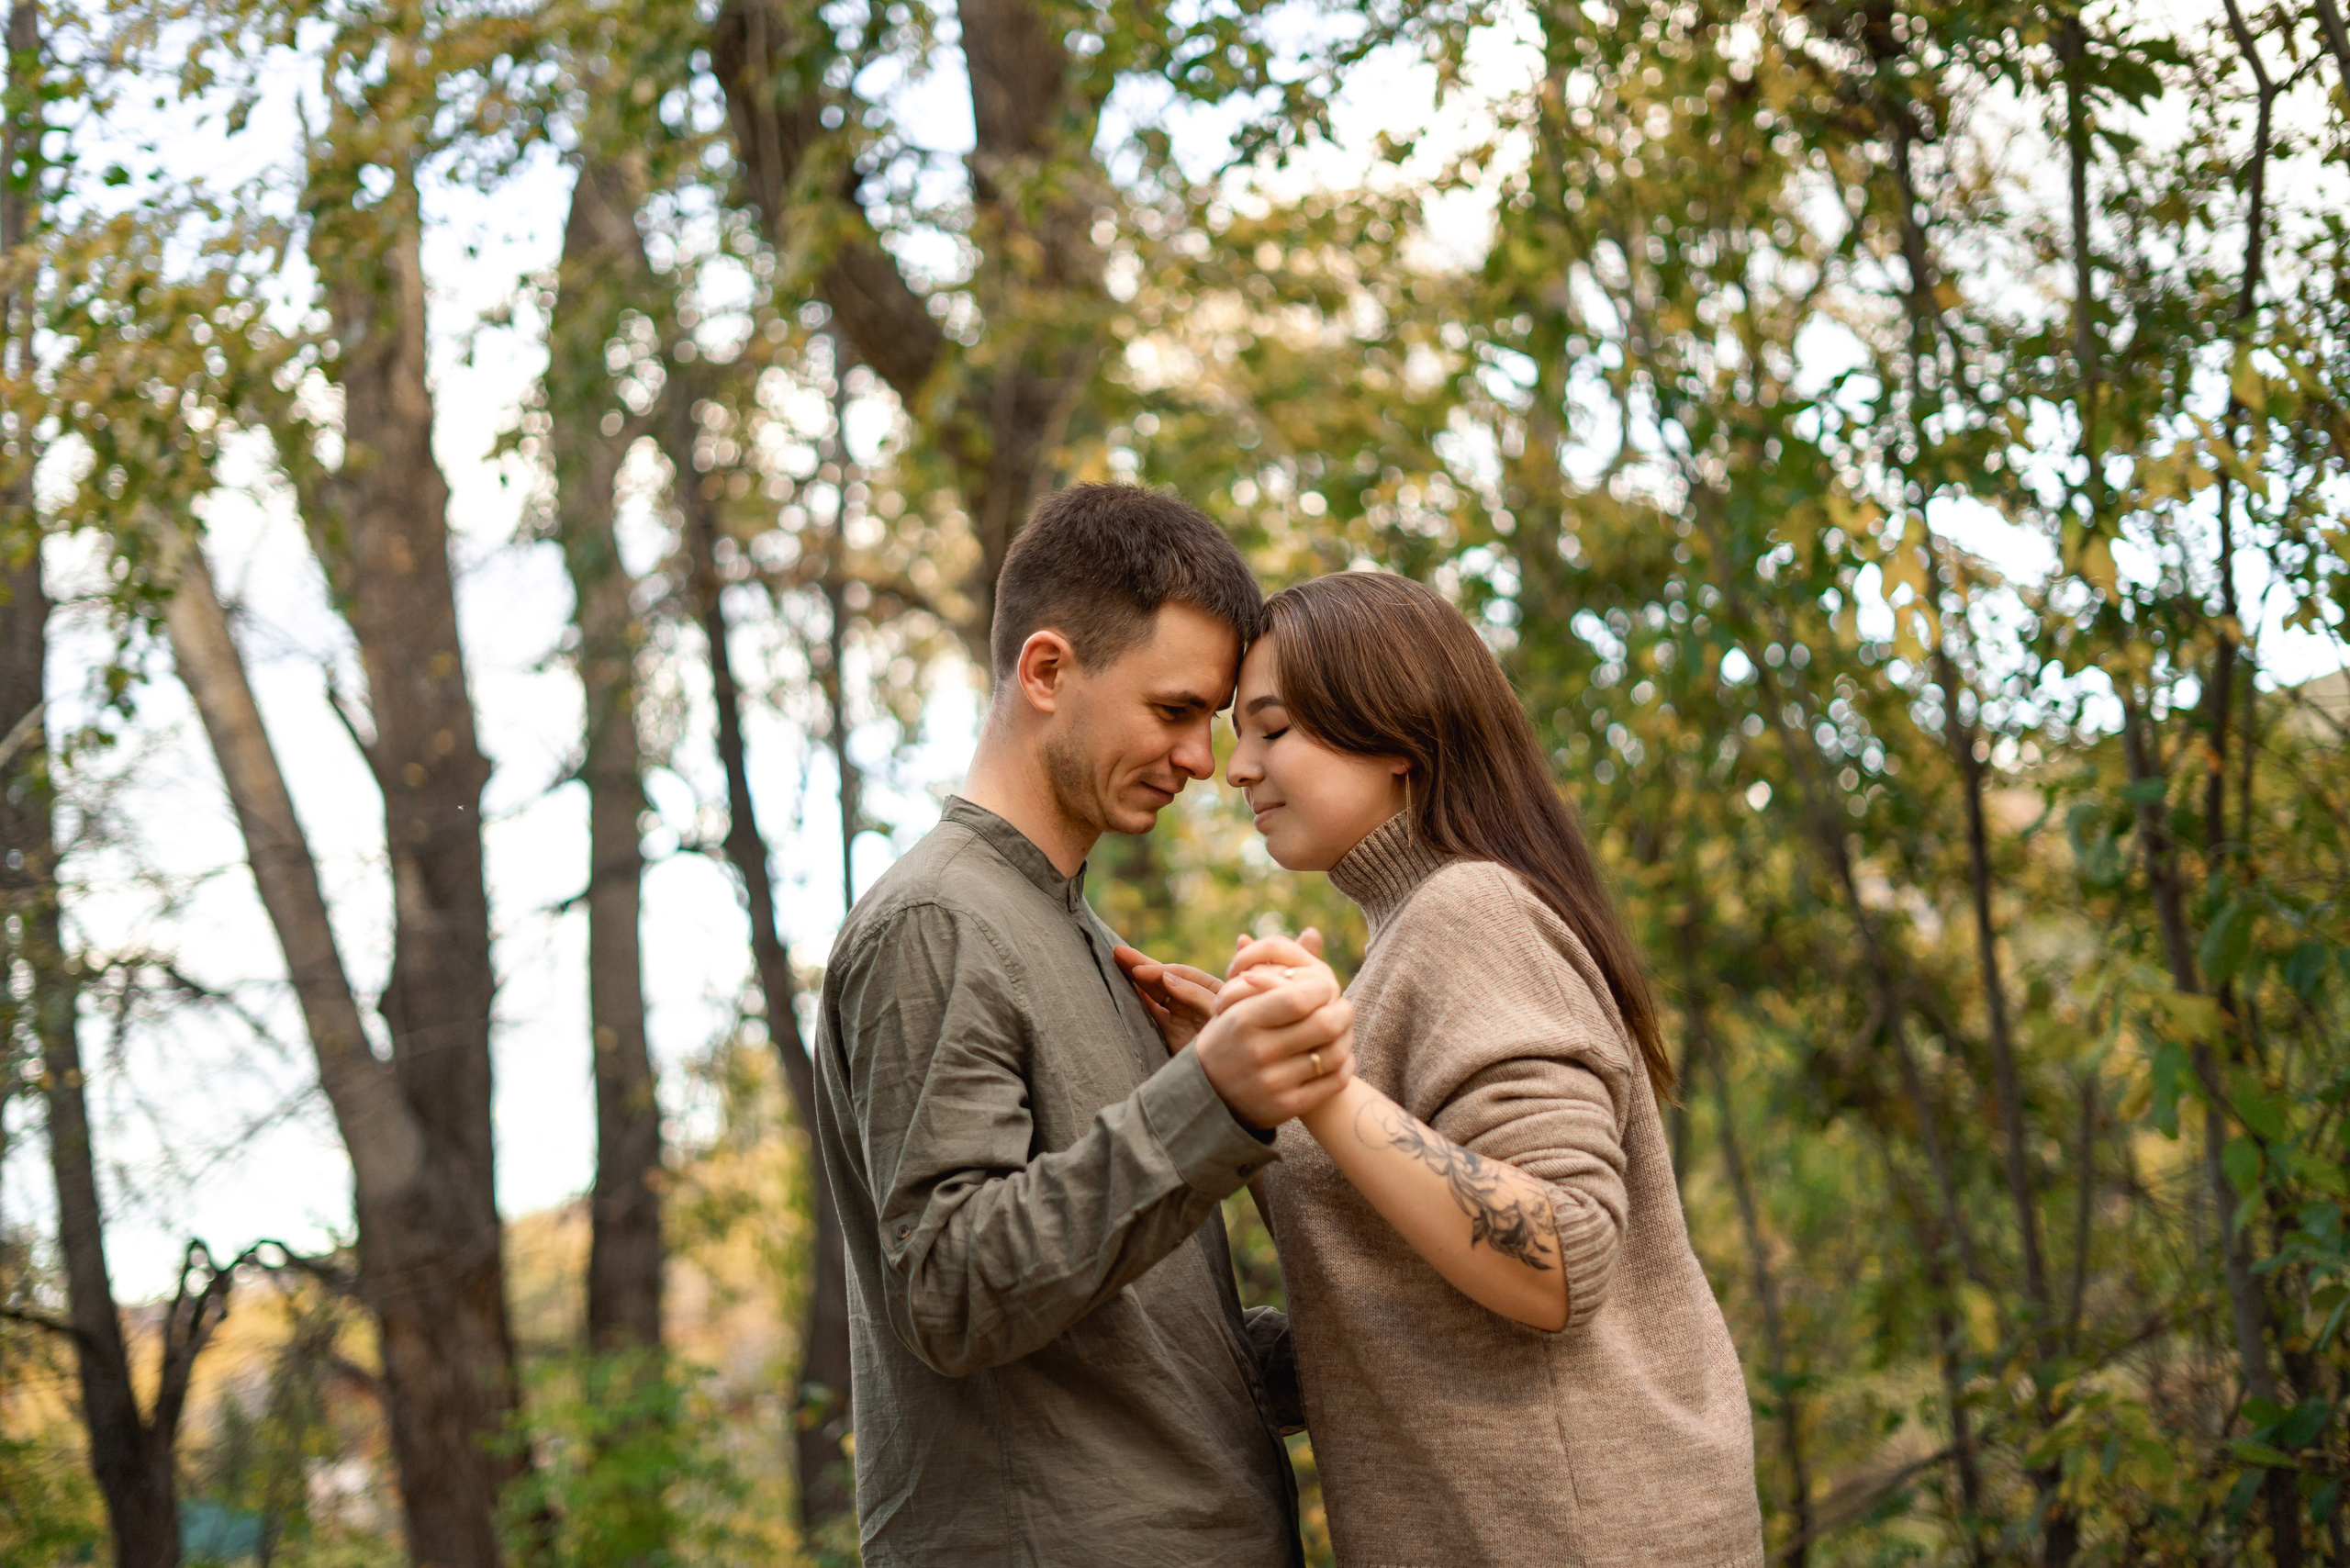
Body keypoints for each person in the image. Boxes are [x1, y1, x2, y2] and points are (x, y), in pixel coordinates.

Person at [1122, 571, 1764, 1567]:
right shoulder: (1409, 944)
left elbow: (1562, 1258)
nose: (1234, 765)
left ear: (1397, 737)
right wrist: (1244, 1087)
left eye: (1272, 727)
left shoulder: (1472, 912)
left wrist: (1322, 1086)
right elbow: (1413, 1305)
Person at [811, 484, 1356, 1568]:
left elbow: (1127, 1330)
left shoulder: (1078, 932)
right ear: (1047, 671)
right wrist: (1213, 1099)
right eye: (1173, 711)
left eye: (1208, 722)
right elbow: (953, 1290)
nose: (1203, 761)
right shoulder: (939, 920)